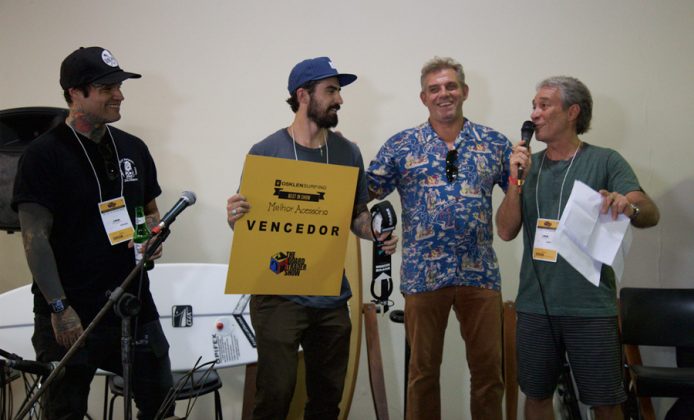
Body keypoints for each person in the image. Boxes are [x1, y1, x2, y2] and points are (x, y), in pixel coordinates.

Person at [226, 56, 397, 420]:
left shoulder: (347, 152)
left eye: (338, 90)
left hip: (331, 295)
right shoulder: (266, 151)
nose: (340, 99)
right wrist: (234, 216)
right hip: (278, 296)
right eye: (331, 90)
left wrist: (375, 232)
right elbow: (248, 225)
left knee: (326, 399)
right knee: (275, 394)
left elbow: (357, 215)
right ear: (303, 95)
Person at [12, 46, 174, 419]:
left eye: (118, 85)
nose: (119, 94)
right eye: (107, 87)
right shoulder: (44, 155)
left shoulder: (132, 148)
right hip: (71, 309)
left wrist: (150, 233)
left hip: (132, 302)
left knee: (160, 402)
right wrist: (59, 308)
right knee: (64, 410)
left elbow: (146, 211)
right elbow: (34, 238)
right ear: (75, 93)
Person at [496, 76, 660, 420]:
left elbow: (648, 211)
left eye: (544, 105)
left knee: (605, 400)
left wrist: (625, 206)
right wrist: (514, 180)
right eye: (533, 105)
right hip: (535, 306)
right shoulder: (529, 167)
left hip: (590, 308)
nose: (534, 114)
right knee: (536, 395)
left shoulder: (605, 161)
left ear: (572, 112)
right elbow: (506, 230)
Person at [367, 56, 510, 420]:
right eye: (435, 88)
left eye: (450, 86)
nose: (443, 94)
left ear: (464, 91)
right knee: (422, 375)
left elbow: (523, 194)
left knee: (489, 375)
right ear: (423, 97)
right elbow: (359, 193)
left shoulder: (494, 143)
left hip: (480, 276)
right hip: (423, 277)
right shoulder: (402, 146)